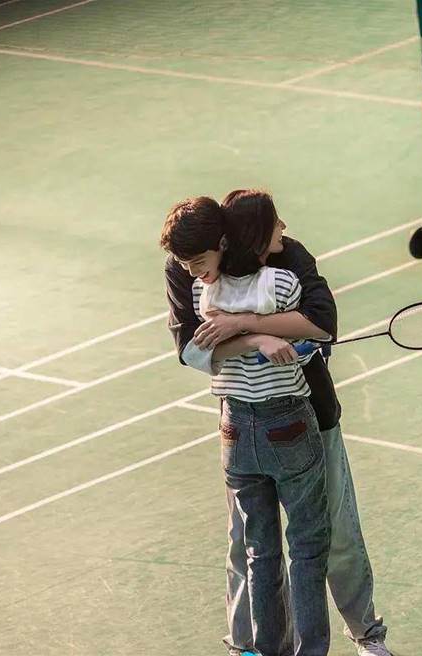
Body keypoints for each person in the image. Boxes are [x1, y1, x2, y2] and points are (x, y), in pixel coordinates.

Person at [162, 191, 392, 656]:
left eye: (198, 261)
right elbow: (190, 348)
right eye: (185, 263)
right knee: (247, 542)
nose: (191, 270)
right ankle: (246, 643)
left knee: (336, 530)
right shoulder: (185, 270)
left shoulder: (286, 255)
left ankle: (366, 634)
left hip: (311, 414)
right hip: (240, 420)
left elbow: (323, 323)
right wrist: (258, 338)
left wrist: (241, 324)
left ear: (224, 242)